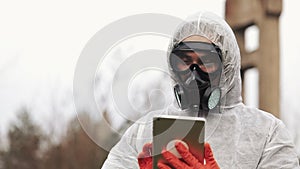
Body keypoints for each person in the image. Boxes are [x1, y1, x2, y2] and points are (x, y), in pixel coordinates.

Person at [101, 11, 300, 169]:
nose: (193, 73)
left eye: (205, 61)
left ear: (227, 66)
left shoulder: (267, 134)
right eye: (184, 61)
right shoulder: (143, 133)